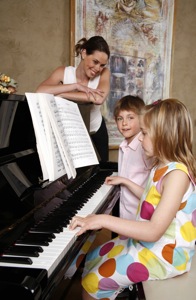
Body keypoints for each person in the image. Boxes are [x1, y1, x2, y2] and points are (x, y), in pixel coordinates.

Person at [69, 98, 196, 300]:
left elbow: (154, 231)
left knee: (93, 282)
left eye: (144, 134)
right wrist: (127, 182)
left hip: (166, 254)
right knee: (92, 257)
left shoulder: (177, 175)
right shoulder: (159, 167)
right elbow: (151, 199)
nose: (140, 139)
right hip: (149, 243)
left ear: (164, 136)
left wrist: (101, 219)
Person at [36, 36, 111, 162]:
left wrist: (63, 95)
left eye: (102, 65)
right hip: (71, 133)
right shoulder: (63, 72)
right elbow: (40, 91)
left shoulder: (105, 73)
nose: (98, 68)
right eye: (95, 62)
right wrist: (75, 86)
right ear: (84, 53)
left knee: (100, 173)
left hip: (95, 131)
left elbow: (98, 98)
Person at [113, 95, 152, 220]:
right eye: (120, 118)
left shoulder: (145, 146)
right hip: (126, 213)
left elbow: (155, 192)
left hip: (140, 217)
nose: (124, 123)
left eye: (130, 118)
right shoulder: (124, 145)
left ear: (142, 119)